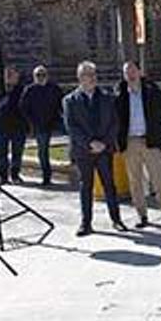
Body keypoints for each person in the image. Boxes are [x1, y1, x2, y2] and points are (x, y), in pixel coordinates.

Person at [63, 61, 127, 236]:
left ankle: (116, 219)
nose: (91, 78)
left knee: (109, 185)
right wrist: (90, 143)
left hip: (104, 150)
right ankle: (86, 223)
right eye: (87, 75)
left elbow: (114, 123)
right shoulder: (70, 101)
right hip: (83, 151)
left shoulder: (107, 98)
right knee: (86, 186)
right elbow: (71, 127)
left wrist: (104, 143)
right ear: (79, 78)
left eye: (93, 74)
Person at [116, 61, 161, 226]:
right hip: (130, 141)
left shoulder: (152, 91)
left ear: (140, 72)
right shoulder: (119, 94)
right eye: (127, 72)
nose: (130, 74)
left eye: (133, 70)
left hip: (150, 140)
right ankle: (142, 216)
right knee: (135, 181)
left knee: (158, 178)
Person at [20, 65, 65, 187]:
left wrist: (63, 118)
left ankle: (73, 160)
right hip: (40, 125)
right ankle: (46, 177)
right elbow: (23, 108)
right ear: (34, 77)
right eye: (38, 75)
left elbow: (63, 104)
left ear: (47, 76)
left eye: (43, 74)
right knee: (43, 151)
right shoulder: (29, 90)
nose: (41, 77)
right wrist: (31, 123)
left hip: (55, 121)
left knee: (75, 136)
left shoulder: (54, 88)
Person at [0, 67, 27, 184]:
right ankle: (3, 176)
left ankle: (15, 175)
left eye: (12, 74)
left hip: (19, 127)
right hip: (1, 127)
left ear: (17, 77)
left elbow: (28, 108)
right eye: (7, 75)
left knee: (17, 153)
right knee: (1, 153)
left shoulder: (23, 90)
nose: (9, 77)